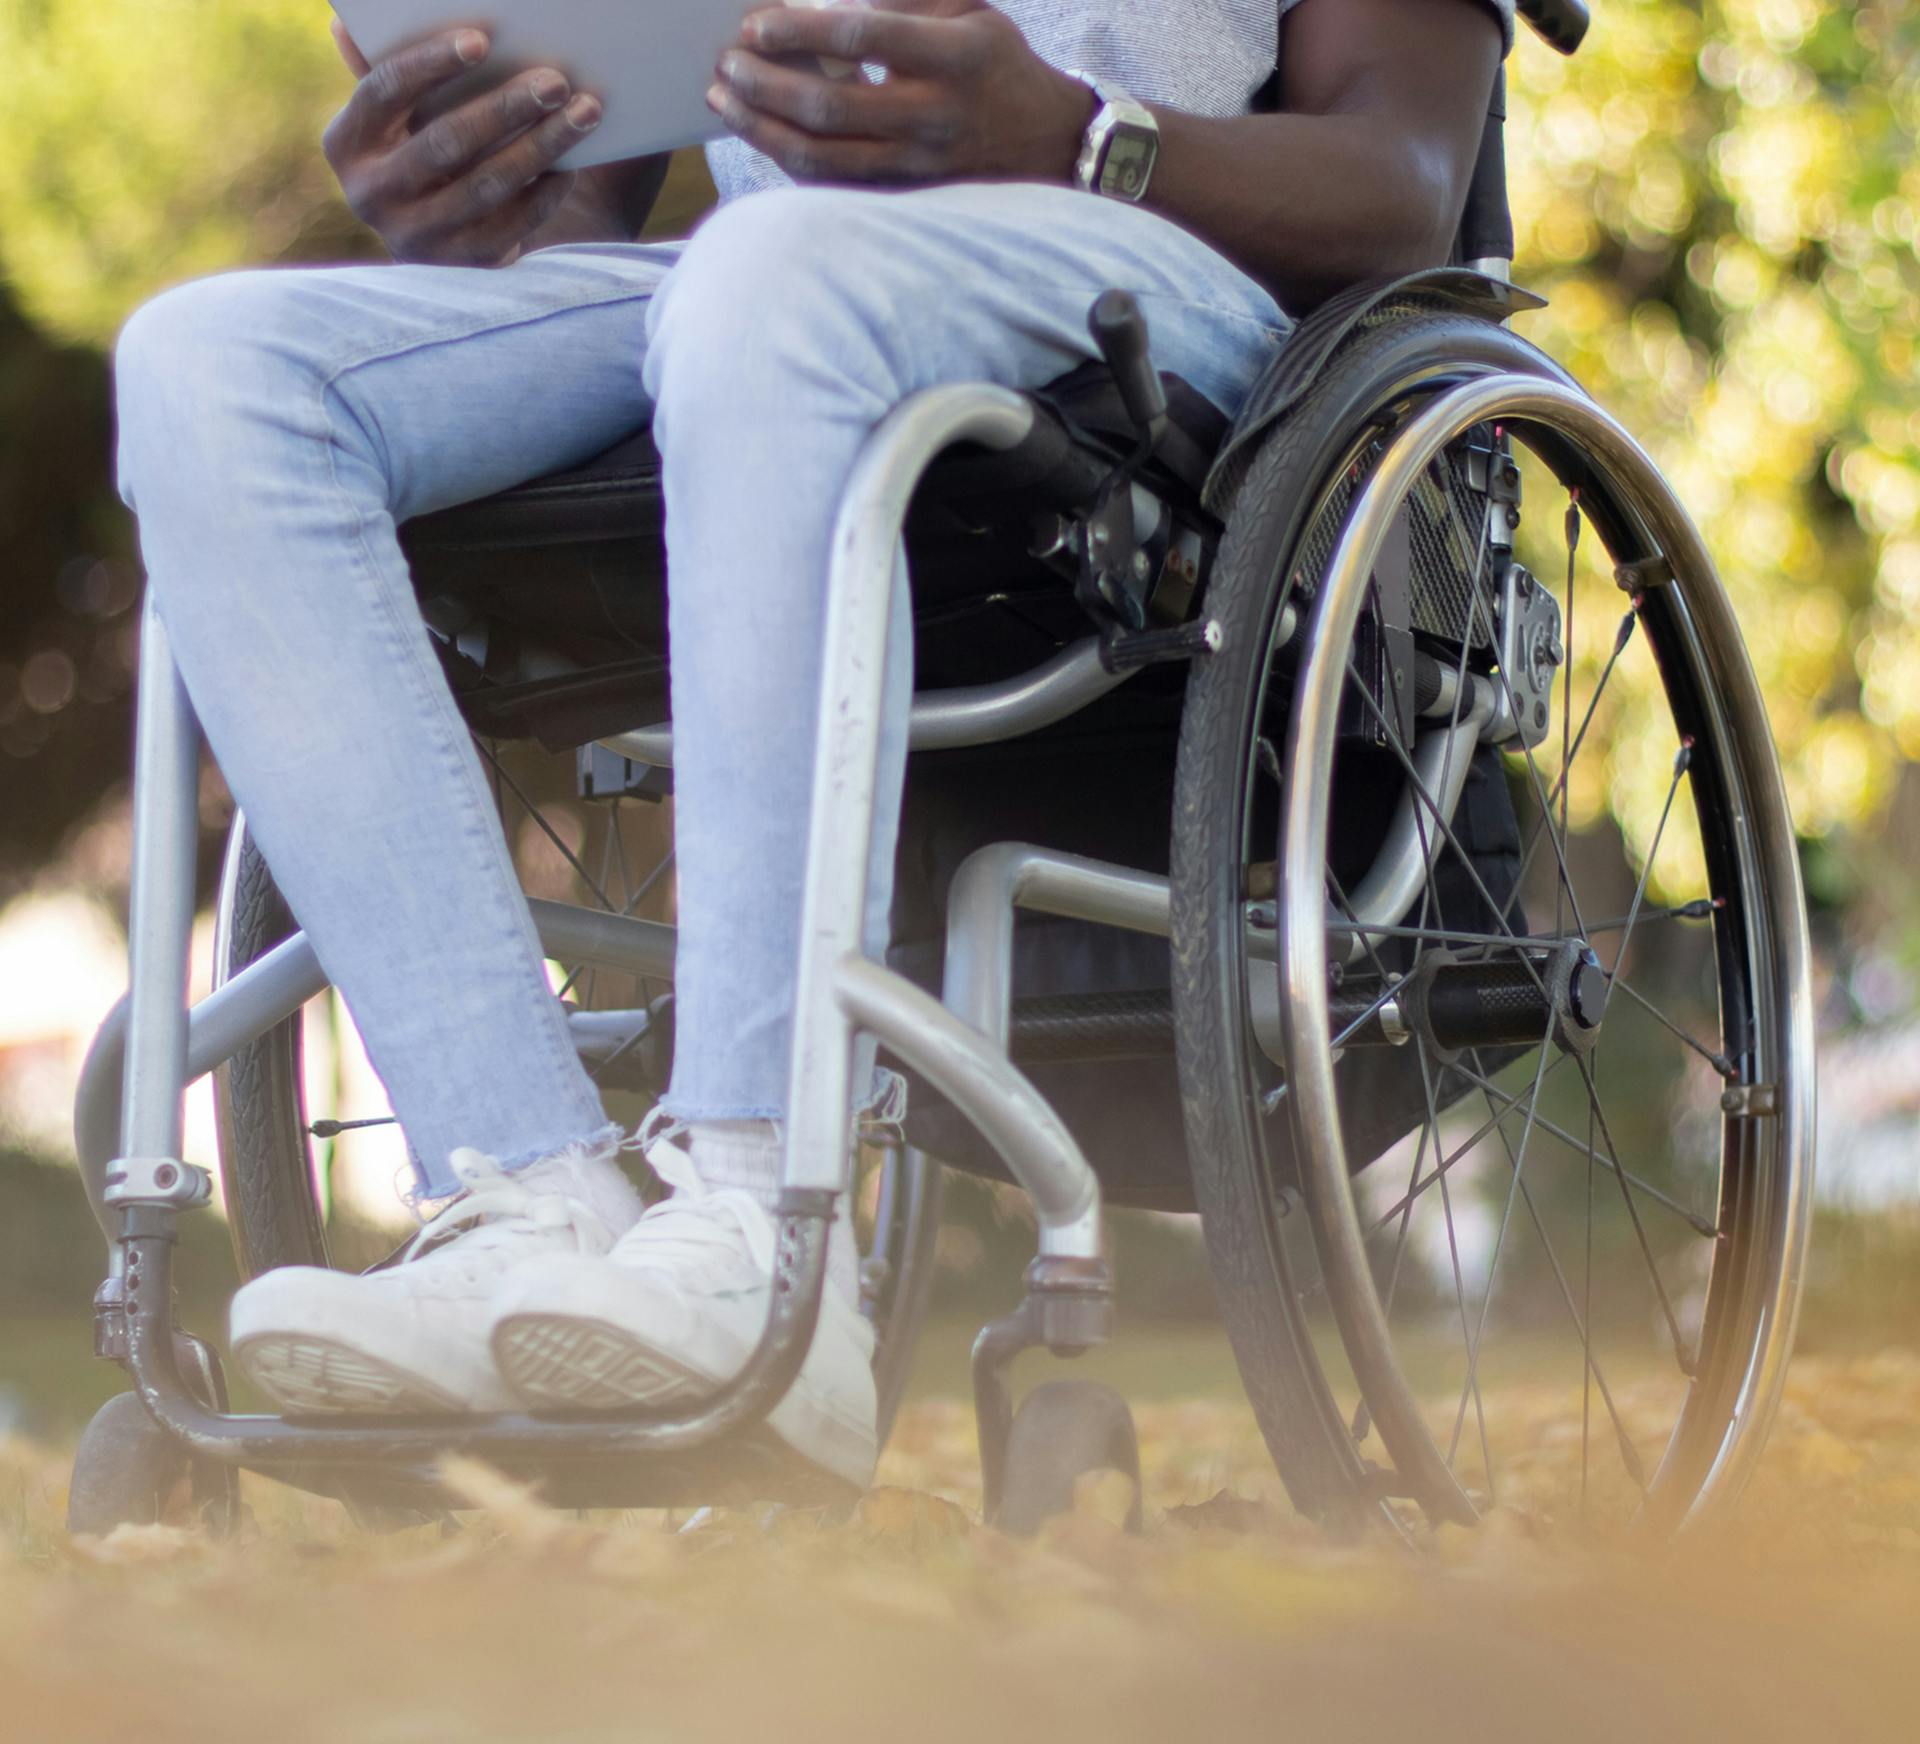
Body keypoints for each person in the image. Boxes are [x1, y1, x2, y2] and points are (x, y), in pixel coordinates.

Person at [112, 0, 1511, 1485]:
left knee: (772, 274)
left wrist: (1079, 135)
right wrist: (473, 175)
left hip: (1168, 284)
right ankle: (521, 1195)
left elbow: (1399, 185)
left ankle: (756, 1215)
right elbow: (593, 204)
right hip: (737, 305)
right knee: (209, 369)